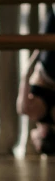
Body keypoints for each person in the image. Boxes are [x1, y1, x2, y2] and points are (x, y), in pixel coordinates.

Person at [17, 9, 55, 154]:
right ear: (43, 135)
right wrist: (37, 51)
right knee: (52, 16)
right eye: (36, 142)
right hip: (48, 67)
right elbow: (25, 75)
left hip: (50, 70)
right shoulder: (27, 109)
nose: (32, 140)